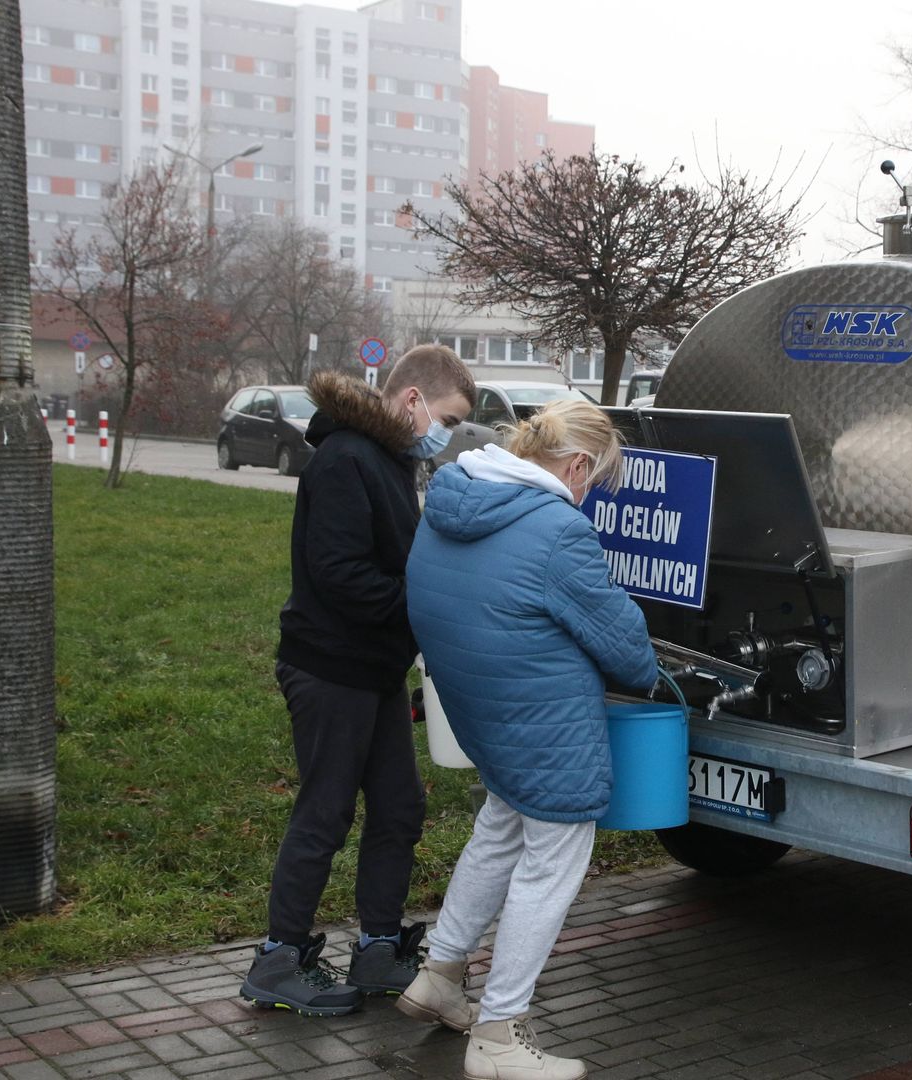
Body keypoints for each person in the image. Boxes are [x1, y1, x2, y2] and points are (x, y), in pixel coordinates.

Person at [399, 401, 657, 1080]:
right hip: (549, 727)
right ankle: (499, 1036)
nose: (589, 499)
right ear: (575, 465)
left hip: (483, 711)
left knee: (499, 827)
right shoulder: (555, 530)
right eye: (593, 485)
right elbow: (629, 655)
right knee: (552, 862)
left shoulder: (451, 498)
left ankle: (441, 974)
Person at [239, 346, 476, 1017]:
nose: (447, 432)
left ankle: (377, 946)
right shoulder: (347, 459)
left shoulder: (391, 461)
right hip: (329, 666)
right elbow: (340, 574)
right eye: (448, 418)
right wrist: (422, 606)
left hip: (372, 669)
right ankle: (278, 958)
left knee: (399, 806)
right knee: (326, 812)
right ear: (412, 402)